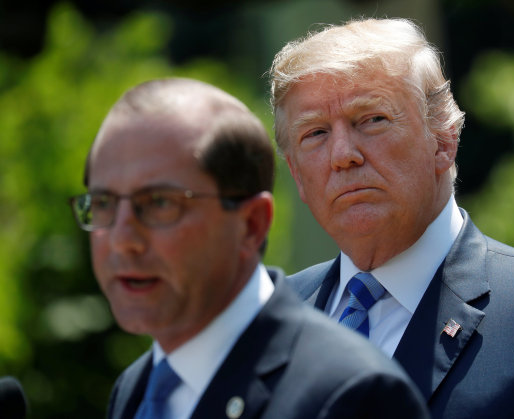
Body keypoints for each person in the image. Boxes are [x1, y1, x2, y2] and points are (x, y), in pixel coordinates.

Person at [269, 18, 514, 417]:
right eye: (315, 133)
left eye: (371, 119)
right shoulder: (269, 323)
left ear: (444, 140)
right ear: (296, 173)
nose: (342, 154)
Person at [69, 77, 429, 419]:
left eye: (160, 203)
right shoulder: (135, 388)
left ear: (251, 224)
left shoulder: (352, 395)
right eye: (103, 204)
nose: (121, 240)